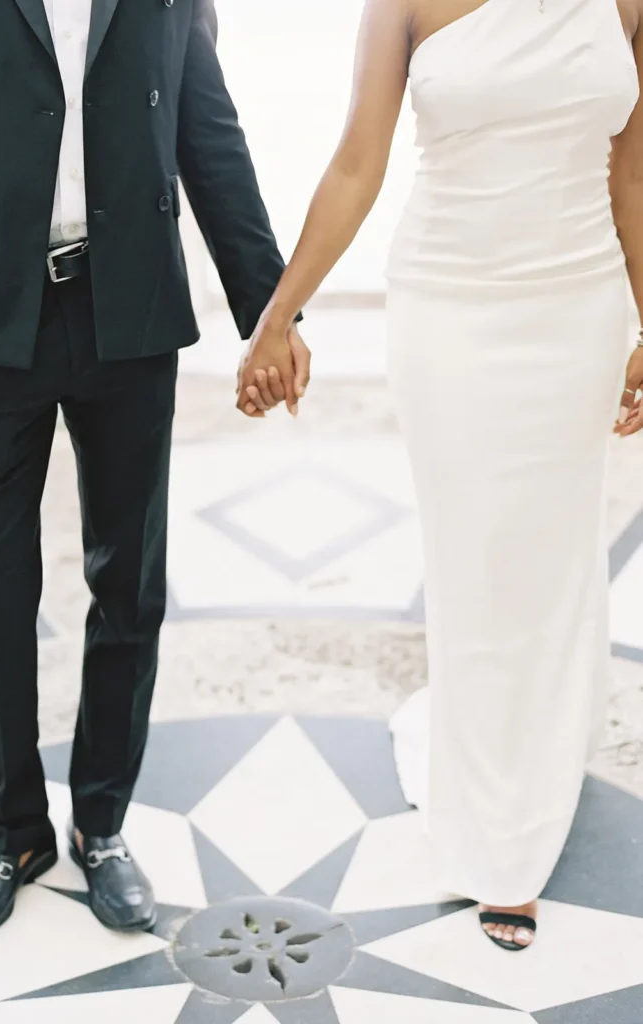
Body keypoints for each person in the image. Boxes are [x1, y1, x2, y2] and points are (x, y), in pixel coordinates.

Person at [0, 0, 307, 944]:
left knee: (128, 582)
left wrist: (268, 311)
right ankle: (15, 836)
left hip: (128, 305)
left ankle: (101, 824)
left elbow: (207, 124)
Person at [237, 0, 643, 951]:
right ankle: (493, 831)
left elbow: (634, 168)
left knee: (551, 560)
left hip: (578, 309)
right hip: (448, 312)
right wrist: (279, 315)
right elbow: (356, 162)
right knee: (473, 564)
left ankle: (536, 770)